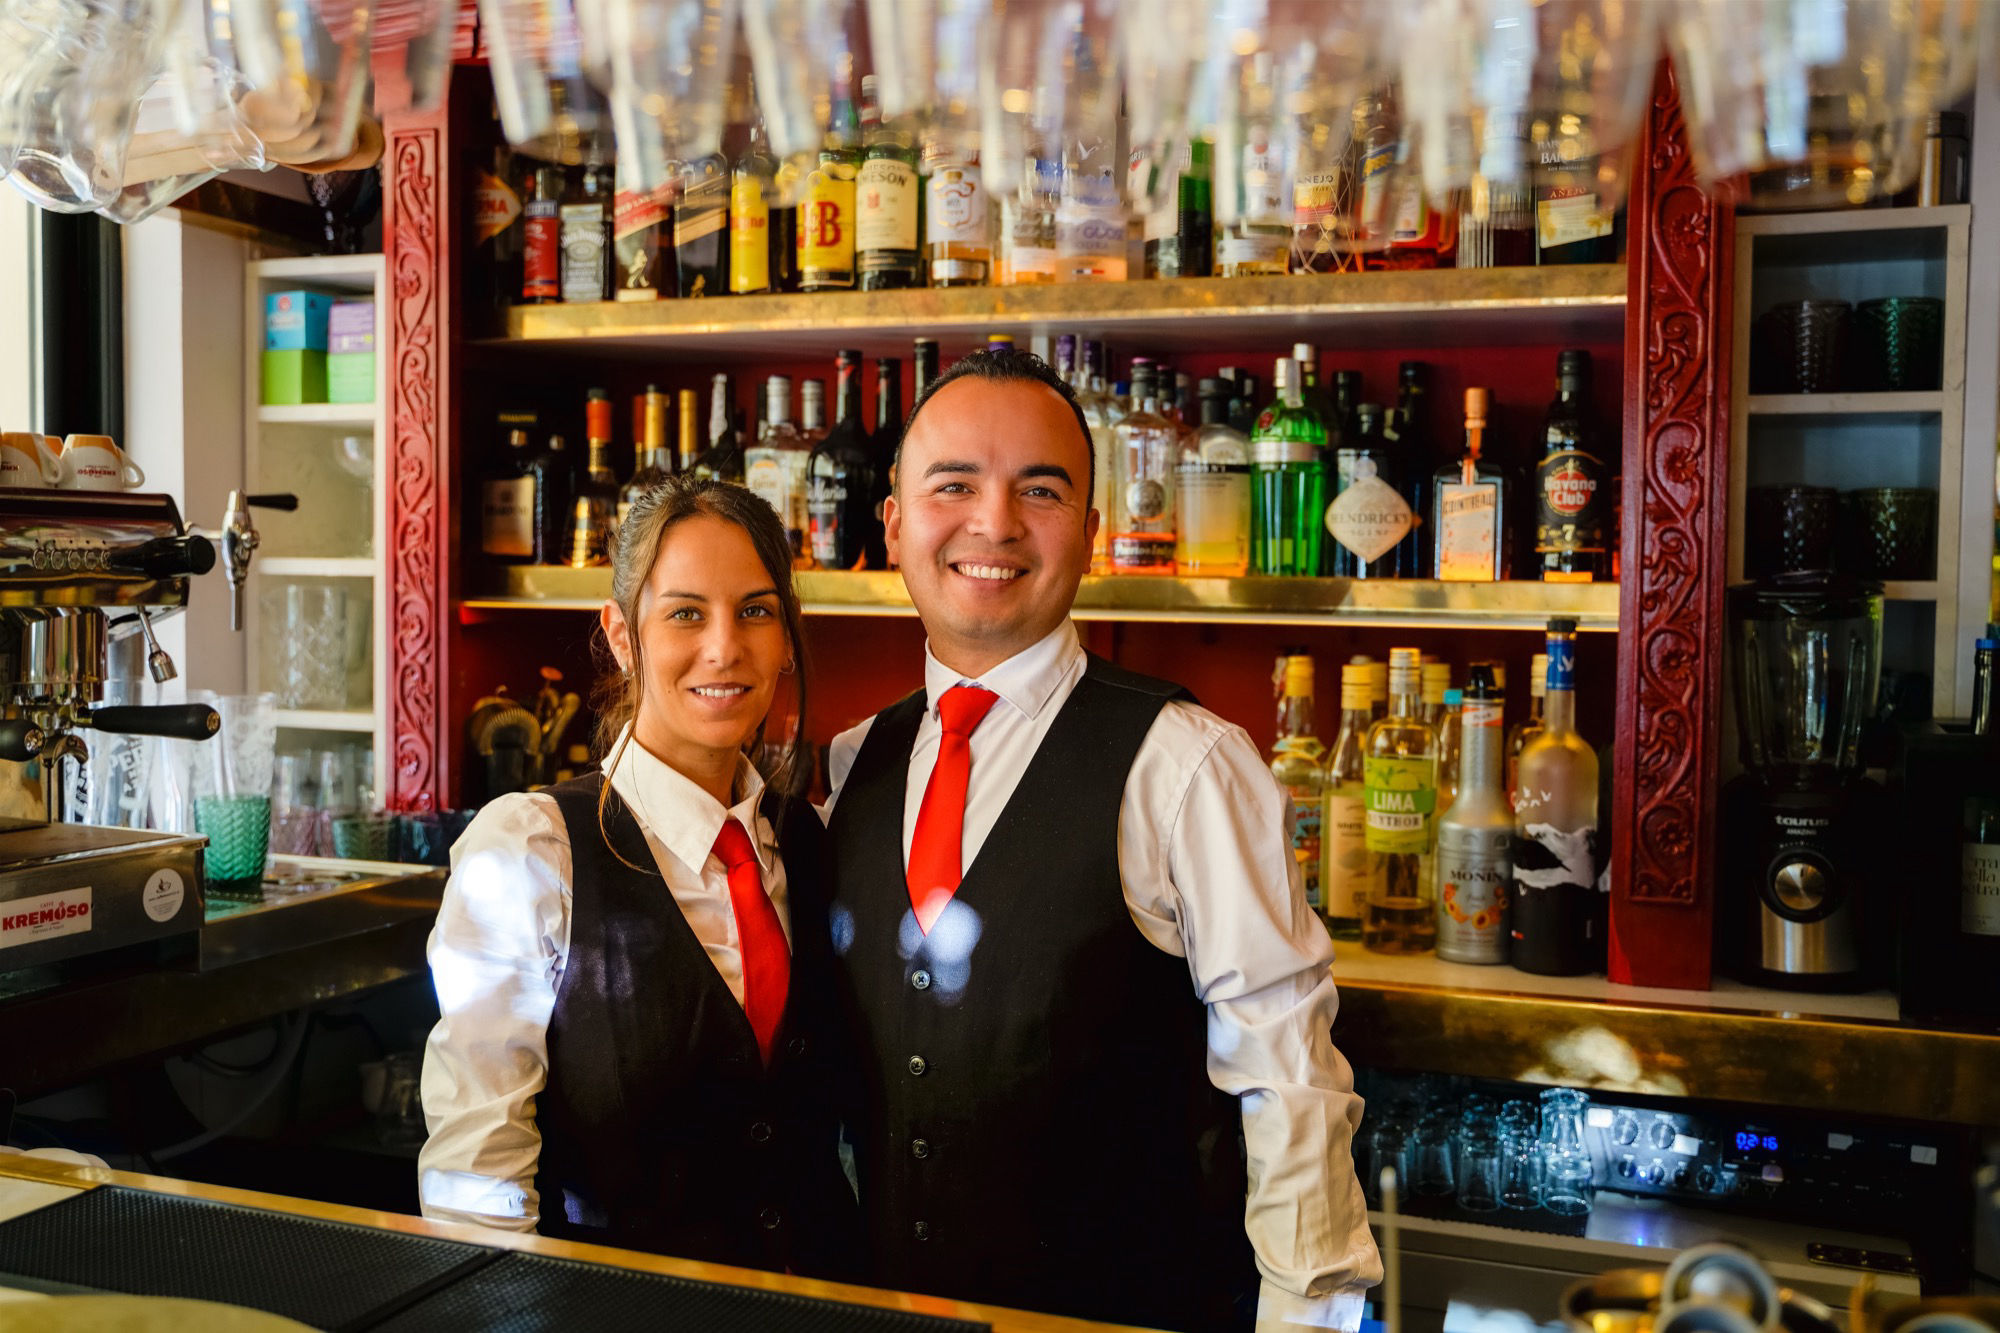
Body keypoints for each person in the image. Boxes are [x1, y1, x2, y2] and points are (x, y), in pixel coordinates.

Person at [823, 350, 1381, 1333]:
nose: (994, 522)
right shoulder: (850, 763)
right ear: (896, 523)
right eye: (954, 485)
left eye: (1039, 490)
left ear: (1088, 532)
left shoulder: (1187, 765)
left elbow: (1290, 1082)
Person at [418, 476, 856, 1277]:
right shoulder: (530, 853)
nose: (724, 647)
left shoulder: (809, 842)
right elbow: (476, 1172)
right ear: (623, 635)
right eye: (686, 613)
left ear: (788, 638)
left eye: (755, 611)